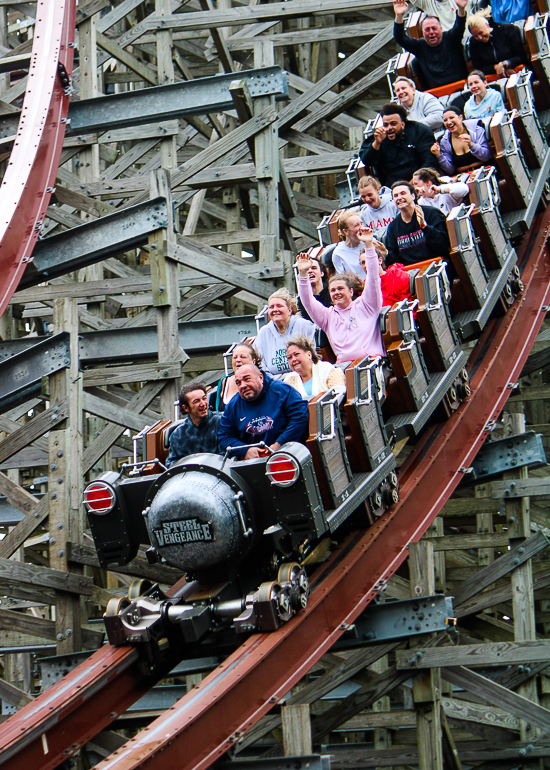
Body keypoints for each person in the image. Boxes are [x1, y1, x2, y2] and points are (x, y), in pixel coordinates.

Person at [296, 227, 385, 366]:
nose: (336, 292)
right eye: (332, 290)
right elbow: (307, 301)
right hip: (345, 366)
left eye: (340, 289)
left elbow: (373, 277)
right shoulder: (327, 317)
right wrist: (302, 274)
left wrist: (368, 246)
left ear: (350, 292)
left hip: (372, 362)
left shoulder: (367, 305)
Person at [217, 365, 309, 460]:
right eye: (238, 383)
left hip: (290, 453)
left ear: (260, 377)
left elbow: (300, 417)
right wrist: (245, 450)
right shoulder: (232, 406)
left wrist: (280, 444)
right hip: (253, 461)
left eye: (247, 379)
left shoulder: (282, 391)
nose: (243, 385)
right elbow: (224, 436)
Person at [393, 0, 469, 89]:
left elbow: (459, 26)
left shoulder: (451, 38)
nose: (431, 32)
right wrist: (399, 15)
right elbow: (400, 38)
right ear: (422, 32)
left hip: (461, 87)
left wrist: (461, 8)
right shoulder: (420, 47)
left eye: (434, 28)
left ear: (441, 29)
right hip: (437, 94)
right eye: (427, 30)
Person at [359, 103, 436, 188]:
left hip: (421, 182)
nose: (389, 128)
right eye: (386, 125)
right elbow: (367, 161)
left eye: (393, 124)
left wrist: (415, 182)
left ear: (403, 124)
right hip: (392, 187)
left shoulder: (419, 131)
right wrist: (377, 143)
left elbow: (430, 161)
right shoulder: (379, 138)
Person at [385, 181, 451, 267]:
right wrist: (386, 253)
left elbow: (443, 245)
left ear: (413, 196)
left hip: (437, 265)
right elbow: (397, 262)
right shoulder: (393, 227)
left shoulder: (432, 213)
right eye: (396, 196)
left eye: (403, 193)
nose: (399, 198)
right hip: (411, 272)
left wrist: (425, 227)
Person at [254, 288, 315, 379]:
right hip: (274, 384)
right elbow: (260, 366)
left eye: (279, 306)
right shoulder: (264, 333)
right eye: (271, 307)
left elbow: (313, 357)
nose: (275, 310)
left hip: (303, 378)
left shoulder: (304, 325)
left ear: (290, 310)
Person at [166, 382, 222, 467]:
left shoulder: (222, 422)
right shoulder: (178, 434)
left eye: (204, 398)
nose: (203, 404)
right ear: (186, 408)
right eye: (196, 401)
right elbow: (171, 464)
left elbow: (227, 457)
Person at [431, 106, 492, 174]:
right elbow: (450, 170)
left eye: (451, 118)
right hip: (462, 176)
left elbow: (486, 156)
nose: (449, 122)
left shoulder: (476, 129)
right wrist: (438, 155)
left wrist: (472, 145)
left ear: (460, 117)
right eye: (445, 120)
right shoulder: (444, 141)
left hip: (484, 170)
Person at [214, 342, 262, 412]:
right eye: (235, 357)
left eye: (243, 357)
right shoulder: (224, 381)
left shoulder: (260, 379)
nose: (238, 360)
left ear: (253, 361)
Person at [332, 211, 366, 278]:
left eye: (361, 223)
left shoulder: (370, 241)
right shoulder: (338, 253)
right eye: (356, 225)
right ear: (346, 231)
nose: (361, 227)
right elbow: (343, 278)